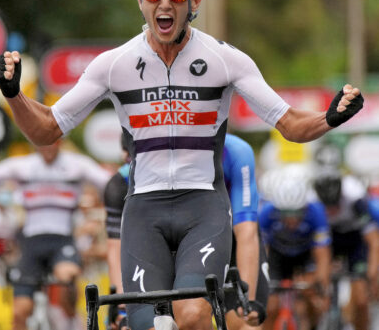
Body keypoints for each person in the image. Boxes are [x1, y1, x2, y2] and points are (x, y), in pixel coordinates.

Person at [0, 0, 364, 330]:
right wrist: (13, 95)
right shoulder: (113, 65)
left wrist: (330, 117)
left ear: (194, 0)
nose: (164, 3)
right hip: (144, 210)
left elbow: (290, 124)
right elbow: (46, 128)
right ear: (141, 0)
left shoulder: (225, 60)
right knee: (144, 324)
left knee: (192, 314)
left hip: (202, 206)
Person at [104, 133, 269, 330]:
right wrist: (123, 307)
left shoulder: (235, 151)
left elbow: (246, 232)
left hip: (229, 238)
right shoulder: (120, 182)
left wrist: (246, 299)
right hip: (167, 240)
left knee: (243, 322)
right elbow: (117, 248)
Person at [0, 139, 110, 330]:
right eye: (41, 141)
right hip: (30, 242)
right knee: (20, 312)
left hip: (62, 240)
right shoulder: (22, 165)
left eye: (52, 140)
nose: (47, 146)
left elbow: (110, 183)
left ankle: (72, 317)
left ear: (60, 141)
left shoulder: (77, 164)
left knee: (66, 276)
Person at [258, 164, 331, 330]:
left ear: (304, 208)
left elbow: (323, 255)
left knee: (311, 295)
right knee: (270, 307)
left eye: (297, 215)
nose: (291, 221)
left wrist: (322, 288)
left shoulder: (316, 212)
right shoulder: (267, 213)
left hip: (305, 256)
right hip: (277, 256)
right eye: (286, 215)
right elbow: (261, 252)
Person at [312, 167, 379, 330]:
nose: (331, 210)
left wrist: (372, 274)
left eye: (334, 203)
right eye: (326, 205)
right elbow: (317, 247)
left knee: (362, 300)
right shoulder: (311, 202)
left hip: (354, 241)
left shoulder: (355, 199)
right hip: (328, 240)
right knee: (316, 289)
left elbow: (374, 241)